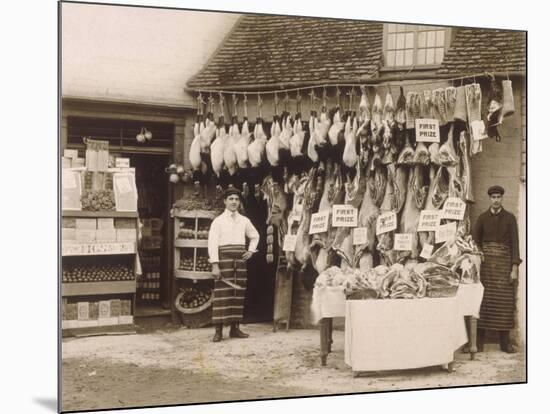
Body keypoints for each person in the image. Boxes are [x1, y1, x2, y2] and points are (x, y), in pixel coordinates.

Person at [472, 185, 521, 353]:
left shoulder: (510, 218)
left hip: (504, 267)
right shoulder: (482, 218)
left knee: (504, 304)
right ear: (489, 199)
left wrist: (514, 268)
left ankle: (505, 344)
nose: (496, 200)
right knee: (483, 302)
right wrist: (478, 261)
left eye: (498, 197)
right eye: (493, 197)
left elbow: (515, 243)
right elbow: (475, 243)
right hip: (485, 268)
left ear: (502, 198)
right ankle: (478, 344)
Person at [207, 188, 260, 342]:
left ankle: (235, 329)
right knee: (222, 294)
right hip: (223, 261)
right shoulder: (218, 221)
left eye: (236, 199)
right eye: (231, 199)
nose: (234, 202)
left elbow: (255, 236)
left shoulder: (244, 220)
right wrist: (215, 265)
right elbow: (212, 244)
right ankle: (218, 331)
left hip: (240, 261)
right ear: (225, 201)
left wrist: (250, 251)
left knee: (238, 294)